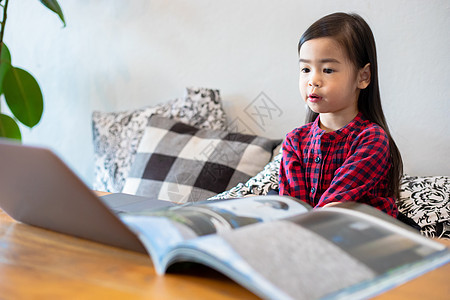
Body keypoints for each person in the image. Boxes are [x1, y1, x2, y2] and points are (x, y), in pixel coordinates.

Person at [278, 12, 404, 218]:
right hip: (309, 234)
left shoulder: (372, 139)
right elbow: (293, 208)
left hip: (361, 240)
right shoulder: (295, 140)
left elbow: (332, 208)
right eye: (305, 69)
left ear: (363, 77)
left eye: (327, 70)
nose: (313, 80)